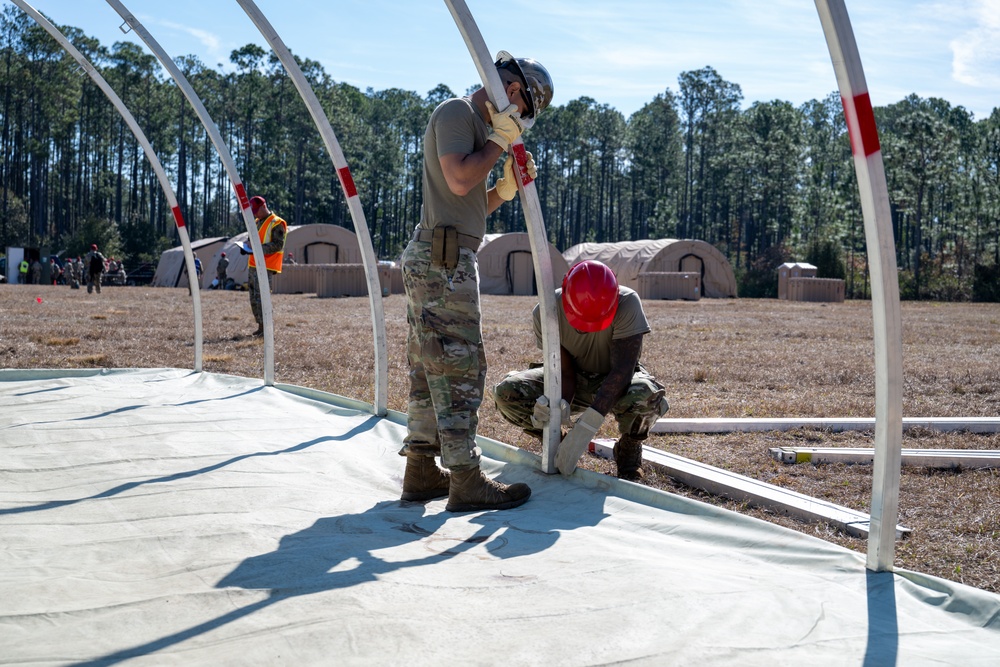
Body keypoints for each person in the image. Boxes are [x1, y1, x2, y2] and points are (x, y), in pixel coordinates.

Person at [397, 50, 553, 512]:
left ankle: (422, 469)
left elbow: (468, 203)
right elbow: (460, 180)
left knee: (432, 368)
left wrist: (501, 191)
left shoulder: (474, 126)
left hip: (444, 253)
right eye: (523, 114)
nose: (519, 123)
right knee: (460, 368)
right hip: (442, 260)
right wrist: (499, 145)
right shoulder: (457, 112)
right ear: (513, 93)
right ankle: (464, 477)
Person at [493, 260, 670, 481]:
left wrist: (587, 426)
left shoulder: (627, 302)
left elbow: (622, 370)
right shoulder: (547, 311)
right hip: (572, 376)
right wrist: (558, 410)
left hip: (616, 380)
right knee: (508, 393)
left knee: (645, 394)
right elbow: (563, 370)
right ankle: (555, 439)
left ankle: (628, 448)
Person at [241, 196, 287, 336]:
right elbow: (253, 240)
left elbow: (278, 245)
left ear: (263, 207)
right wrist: (246, 246)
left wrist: (257, 248)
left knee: (263, 298)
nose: (255, 213)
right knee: (254, 298)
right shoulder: (256, 222)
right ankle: (261, 327)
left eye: (256, 210)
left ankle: (267, 329)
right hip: (254, 265)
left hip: (266, 266)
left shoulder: (277, 222)